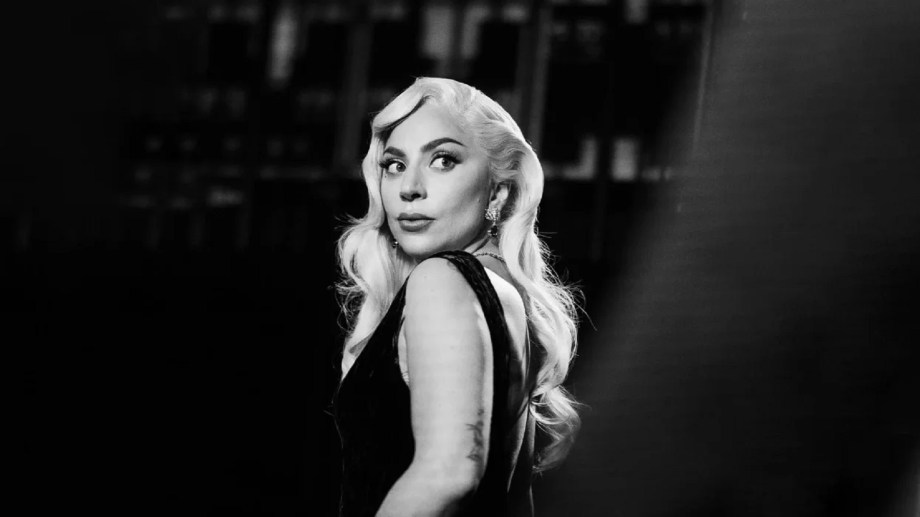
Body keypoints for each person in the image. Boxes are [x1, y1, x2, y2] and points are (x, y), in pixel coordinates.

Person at [331, 77, 582, 517]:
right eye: (395, 164)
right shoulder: (503, 295)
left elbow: (449, 474)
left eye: (443, 160)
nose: (409, 187)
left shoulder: (442, 278)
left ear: (499, 190)